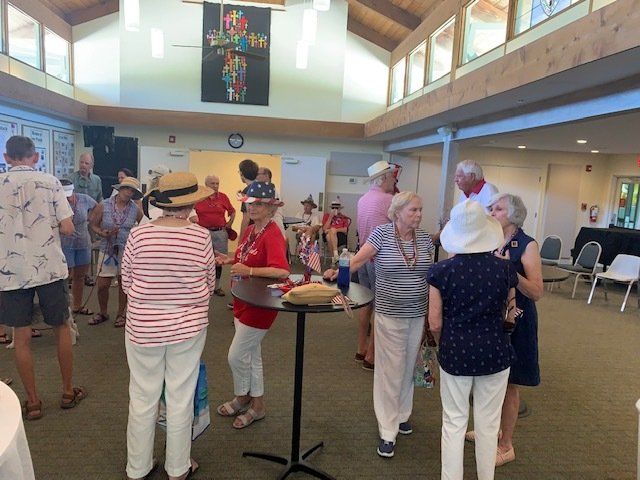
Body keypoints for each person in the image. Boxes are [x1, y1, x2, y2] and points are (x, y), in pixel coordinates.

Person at [324, 191, 434, 458]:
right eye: (413, 210)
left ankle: (402, 414)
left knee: (408, 366)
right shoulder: (382, 234)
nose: (419, 215)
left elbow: (430, 276)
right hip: (389, 315)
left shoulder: (424, 239)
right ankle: (387, 428)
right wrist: (337, 272)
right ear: (397, 212)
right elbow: (358, 260)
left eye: (420, 210)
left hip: (417, 314)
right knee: (389, 371)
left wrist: (432, 314)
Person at [122, 172, 215, 480]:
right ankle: (177, 468)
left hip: (142, 327)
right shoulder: (200, 236)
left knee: (142, 396)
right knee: (180, 395)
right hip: (188, 327)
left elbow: (127, 282)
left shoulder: (139, 234)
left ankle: (137, 468)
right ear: (190, 204)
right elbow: (209, 284)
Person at [427, 199, 516, 480]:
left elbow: (434, 322)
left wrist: (442, 343)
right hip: (495, 351)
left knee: (453, 421)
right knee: (489, 424)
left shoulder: (440, 272)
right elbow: (511, 314)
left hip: (455, 351)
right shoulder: (505, 269)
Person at [0, 135, 86, 421]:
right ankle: (67, 391)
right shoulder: (50, 182)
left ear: (6, 157)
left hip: (11, 270)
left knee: (21, 336)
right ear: (35, 157)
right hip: (48, 267)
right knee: (61, 327)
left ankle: (33, 402)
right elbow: (67, 227)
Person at [466, 193, 542, 467]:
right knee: (488, 381)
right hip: (490, 320)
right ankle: (489, 430)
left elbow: (536, 291)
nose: (492, 212)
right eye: (492, 208)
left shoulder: (527, 245)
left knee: (510, 384)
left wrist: (509, 270)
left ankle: (506, 444)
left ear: (512, 215)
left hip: (517, 322)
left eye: (498, 209)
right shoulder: (488, 238)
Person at [215, 181, 290, 429]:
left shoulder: (273, 233)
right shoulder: (250, 230)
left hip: (260, 304)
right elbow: (243, 257)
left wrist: (249, 270)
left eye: (259, 204)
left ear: (271, 208)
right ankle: (255, 404)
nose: (253, 207)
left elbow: (281, 271)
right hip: (243, 298)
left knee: (236, 356)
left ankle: (244, 396)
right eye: (250, 203)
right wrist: (230, 261)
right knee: (251, 355)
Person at [355, 160, 399, 371]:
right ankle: (372, 356)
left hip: (363, 257)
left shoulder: (363, 199)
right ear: (383, 179)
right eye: (392, 177)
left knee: (366, 304)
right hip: (380, 260)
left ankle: (361, 348)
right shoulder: (389, 200)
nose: (394, 181)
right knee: (381, 307)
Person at [89, 177, 143, 327]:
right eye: (126, 188)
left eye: (132, 191)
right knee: (102, 285)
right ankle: (103, 312)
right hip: (107, 248)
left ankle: (121, 314)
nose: (128, 192)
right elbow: (93, 224)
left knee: (123, 284)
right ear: (120, 189)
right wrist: (101, 232)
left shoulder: (135, 209)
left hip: (126, 250)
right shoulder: (103, 205)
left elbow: (142, 226)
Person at [192, 175, 236, 296]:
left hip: (220, 233)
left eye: (217, 183)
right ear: (206, 185)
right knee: (202, 259)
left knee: (219, 261)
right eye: (212, 183)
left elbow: (232, 211)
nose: (215, 186)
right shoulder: (199, 197)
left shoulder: (223, 197)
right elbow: (191, 213)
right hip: (203, 233)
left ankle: (216, 286)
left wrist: (229, 223)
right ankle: (201, 285)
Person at [59, 179, 98, 315]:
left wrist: (91, 219)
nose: (67, 198)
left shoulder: (84, 199)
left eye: (69, 194)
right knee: (64, 276)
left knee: (80, 276)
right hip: (65, 243)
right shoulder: (56, 202)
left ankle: (77, 305)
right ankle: (63, 308)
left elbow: (97, 207)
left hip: (83, 242)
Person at [255, 167, 286, 238]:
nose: (256, 176)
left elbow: (272, 210)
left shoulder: (272, 190)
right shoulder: (265, 190)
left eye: (258, 174)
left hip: (274, 224)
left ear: (266, 176)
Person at [322, 198, 351, 262]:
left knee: (330, 234)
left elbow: (345, 230)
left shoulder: (343, 217)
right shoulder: (326, 216)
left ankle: (333, 258)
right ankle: (335, 254)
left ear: (339, 209)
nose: (335, 209)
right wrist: (330, 218)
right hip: (327, 235)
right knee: (328, 236)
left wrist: (335, 230)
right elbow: (324, 229)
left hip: (340, 235)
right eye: (333, 208)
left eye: (337, 208)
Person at [237, 159, 259, 240]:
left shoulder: (247, 192)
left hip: (253, 232)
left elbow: (246, 218)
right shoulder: (262, 188)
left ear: (241, 173)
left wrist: (241, 240)